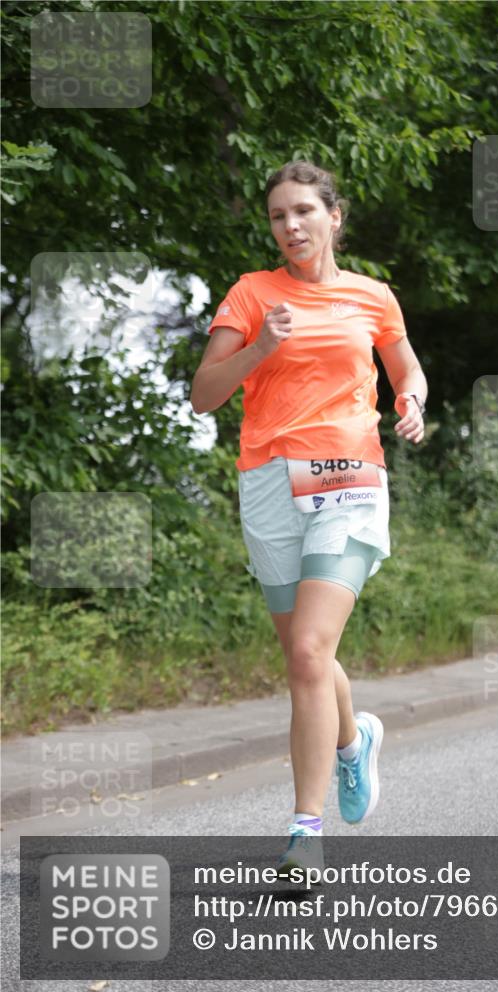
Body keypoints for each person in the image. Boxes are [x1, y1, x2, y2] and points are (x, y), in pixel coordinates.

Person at [191, 160, 427, 881]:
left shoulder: (372, 296)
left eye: (302, 211)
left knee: (307, 652)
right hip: (267, 481)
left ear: (333, 216)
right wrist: (261, 346)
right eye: (277, 216)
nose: (290, 226)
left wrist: (412, 401)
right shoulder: (252, 294)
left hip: (347, 474)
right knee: (306, 652)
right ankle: (353, 743)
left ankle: (304, 834)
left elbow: (405, 368)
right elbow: (203, 395)